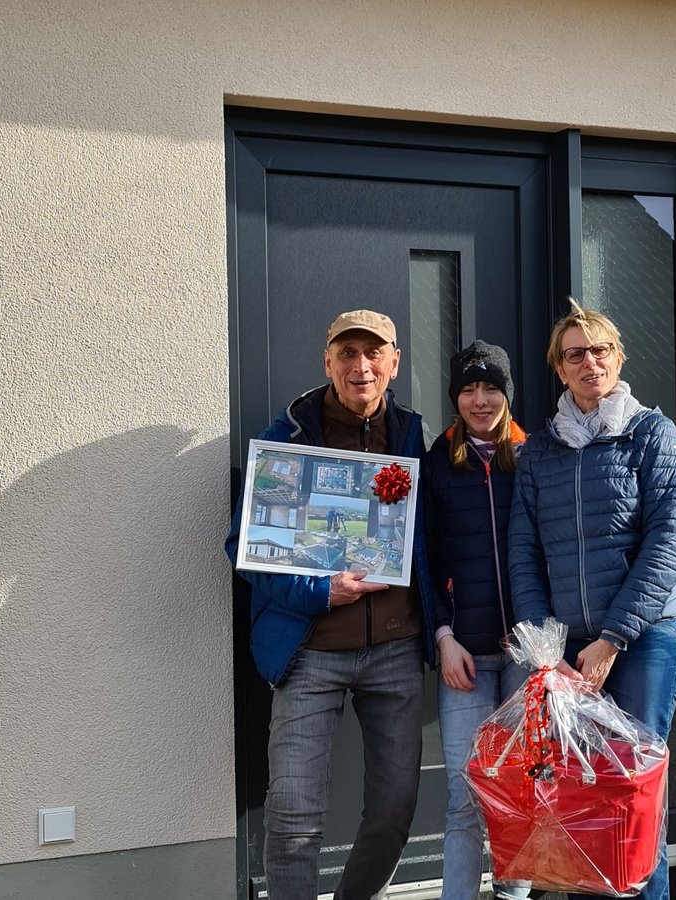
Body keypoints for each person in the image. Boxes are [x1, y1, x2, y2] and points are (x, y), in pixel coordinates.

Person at [225, 309, 435, 900]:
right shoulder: (287, 438)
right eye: (347, 353)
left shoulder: (414, 438)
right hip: (310, 649)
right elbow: (245, 550)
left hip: (395, 648)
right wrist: (321, 592)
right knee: (293, 814)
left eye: (374, 353)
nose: (360, 366)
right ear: (327, 362)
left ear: (394, 362)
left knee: (394, 810)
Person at [508, 300, 676, 900]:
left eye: (600, 350)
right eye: (575, 354)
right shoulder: (539, 452)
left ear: (619, 357)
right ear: (559, 368)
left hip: (643, 641)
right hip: (566, 655)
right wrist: (546, 653)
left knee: (634, 794)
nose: (590, 362)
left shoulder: (651, 434)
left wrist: (612, 639)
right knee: (581, 797)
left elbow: (669, 541)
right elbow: (523, 554)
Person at [422, 341, 530, 900]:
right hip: (464, 656)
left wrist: (542, 637)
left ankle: (515, 895)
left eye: (491, 388)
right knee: (465, 798)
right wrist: (442, 636)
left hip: (524, 657)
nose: (480, 400)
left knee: (518, 791)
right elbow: (423, 561)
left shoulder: (534, 456)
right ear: (456, 397)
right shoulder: (437, 463)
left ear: (507, 394)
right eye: (468, 389)